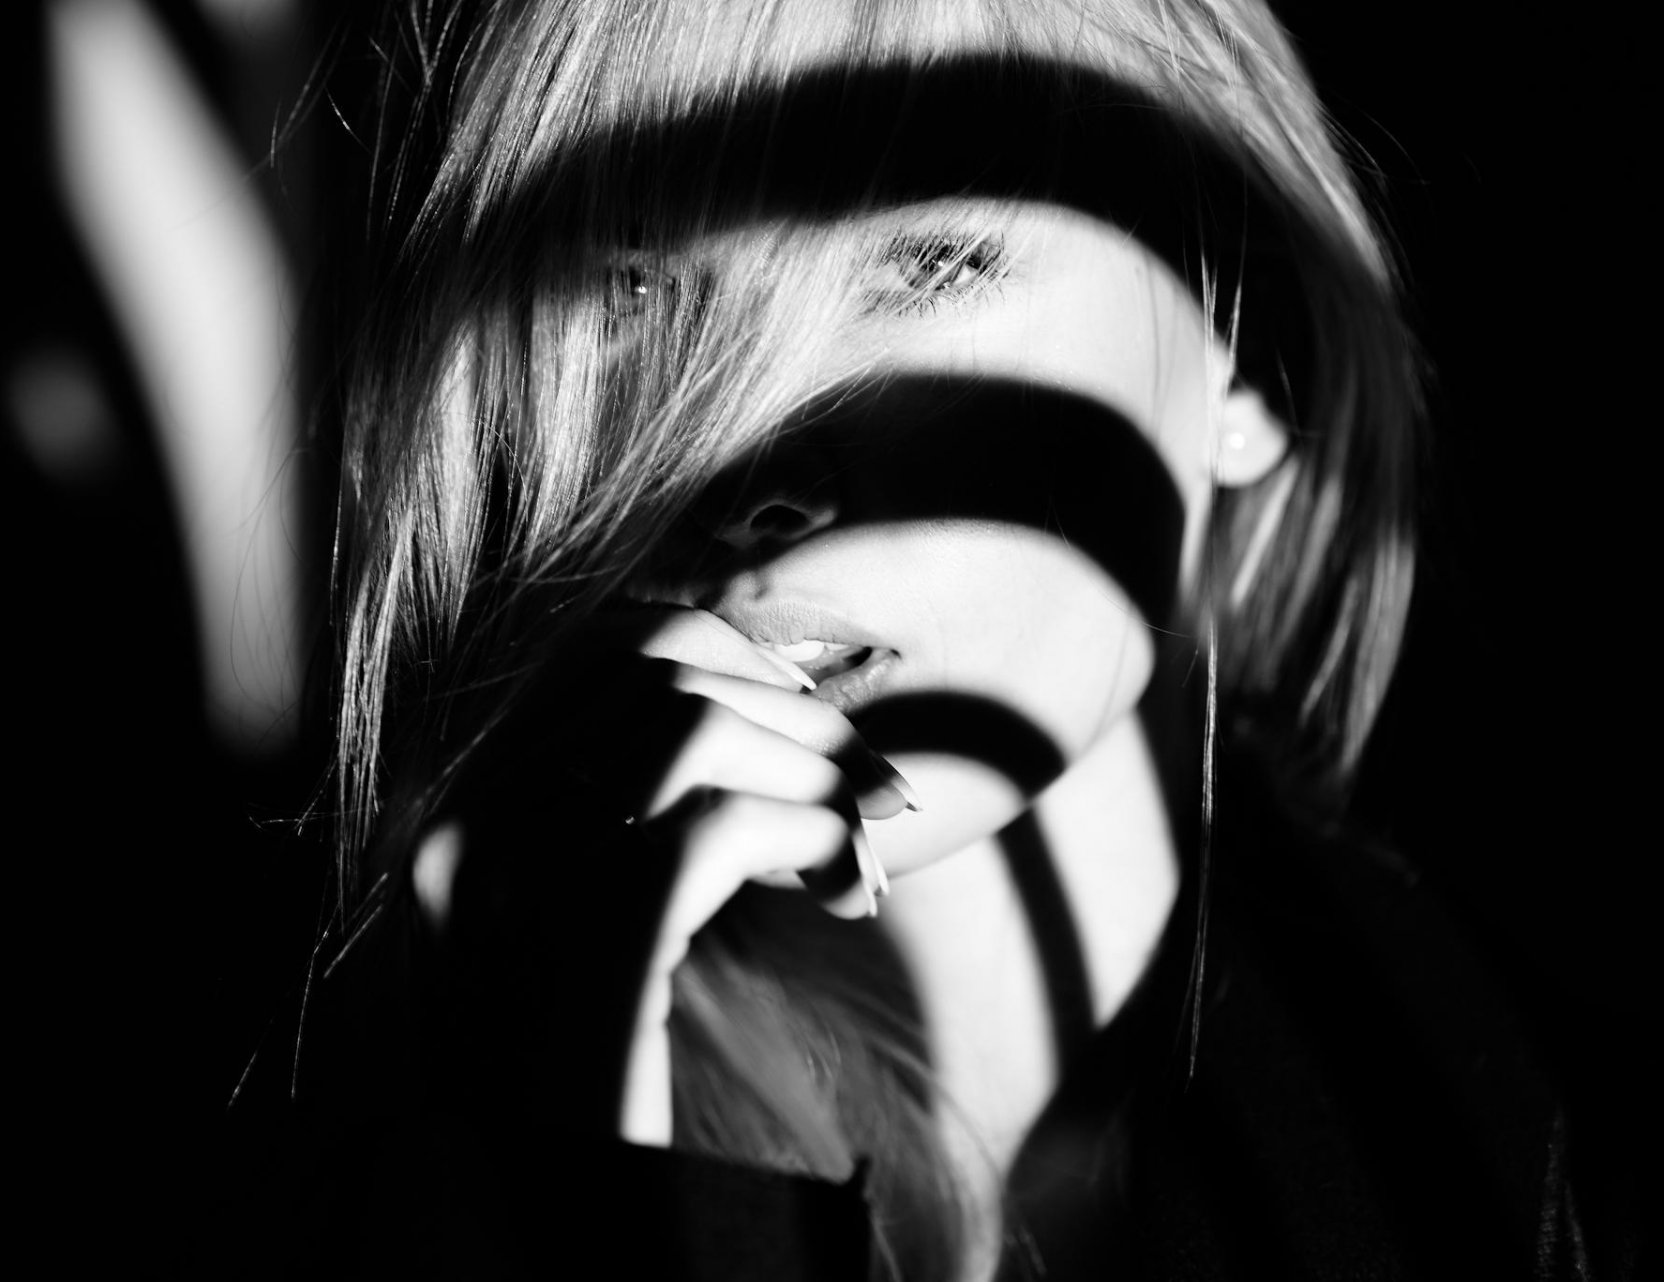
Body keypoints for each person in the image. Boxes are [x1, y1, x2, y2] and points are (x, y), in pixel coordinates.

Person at [245, 0, 1591, 1276]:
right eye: (636, 291)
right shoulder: (310, 1153)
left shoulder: (1542, 1167)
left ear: (1253, 348)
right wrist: (572, 1169)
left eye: (935, 264)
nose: (758, 468)